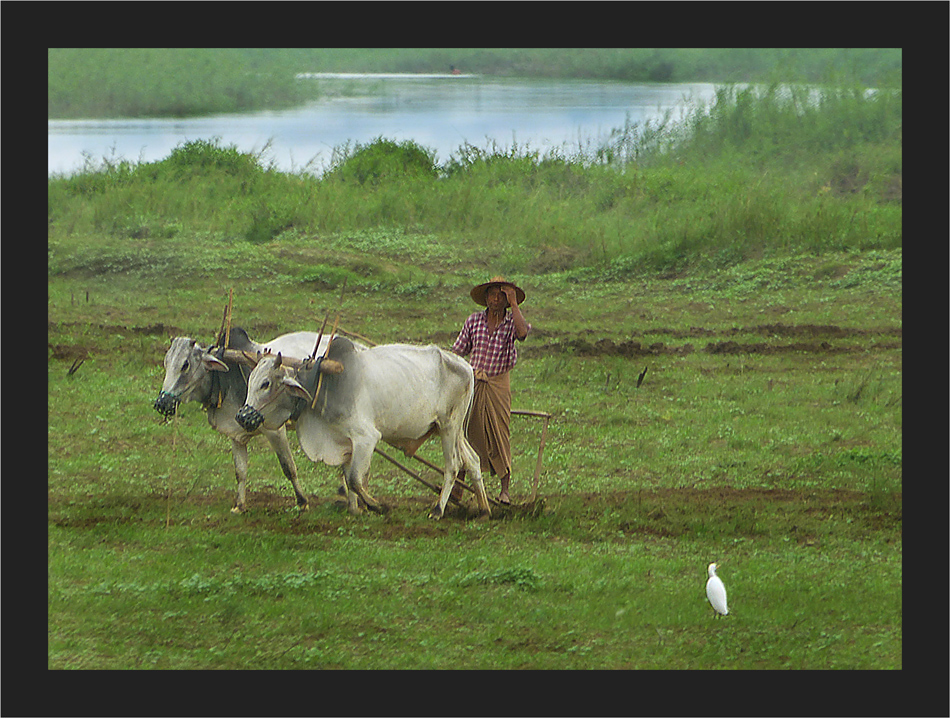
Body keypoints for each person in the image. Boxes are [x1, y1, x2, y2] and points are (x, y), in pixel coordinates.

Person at [451, 276, 531, 505]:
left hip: (498, 385)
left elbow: (523, 333)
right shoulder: (474, 321)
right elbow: (458, 351)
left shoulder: (510, 322)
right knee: (467, 432)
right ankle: (459, 485)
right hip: (474, 384)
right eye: (492, 295)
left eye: (501, 296)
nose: (495, 299)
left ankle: (505, 489)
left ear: (506, 301)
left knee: (499, 434)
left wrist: (515, 304)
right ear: (485, 299)